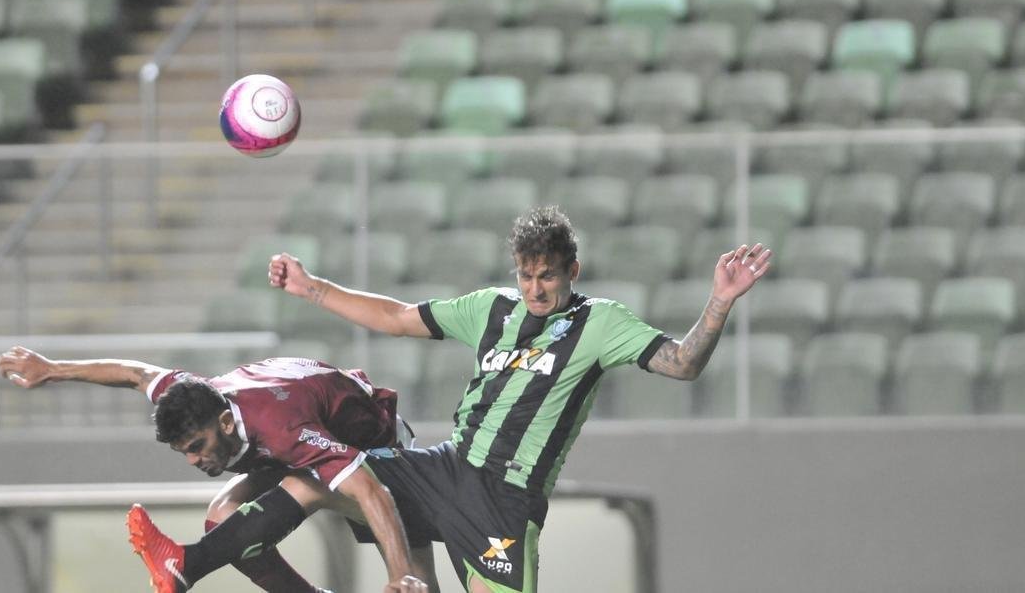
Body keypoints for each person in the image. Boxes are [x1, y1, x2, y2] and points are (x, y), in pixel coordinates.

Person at [262, 205, 772, 593]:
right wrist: (312, 288)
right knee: (326, 471)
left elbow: (682, 363)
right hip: (448, 467)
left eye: (547, 275)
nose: (535, 289)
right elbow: (396, 318)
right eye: (526, 275)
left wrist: (719, 302)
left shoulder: (601, 322)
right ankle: (215, 550)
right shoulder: (491, 308)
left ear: (573, 270)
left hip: (506, 497)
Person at [0, 347, 433, 593]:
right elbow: (134, 373)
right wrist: (53, 370)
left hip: (380, 445)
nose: (193, 460)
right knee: (223, 515)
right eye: (183, 451)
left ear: (225, 423)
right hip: (306, 436)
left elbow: (372, 491)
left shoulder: (284, 429)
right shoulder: (199, 396)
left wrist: (400, 575)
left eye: (197, 447)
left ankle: (186, 564)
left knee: (418, 584)